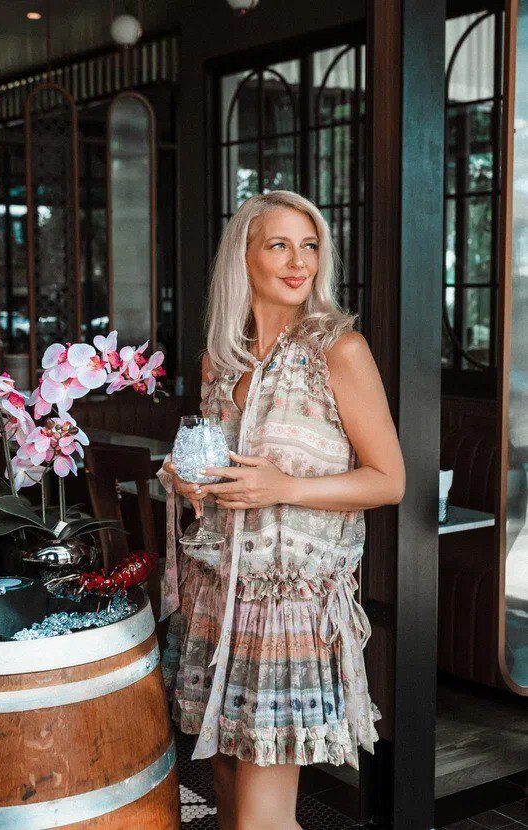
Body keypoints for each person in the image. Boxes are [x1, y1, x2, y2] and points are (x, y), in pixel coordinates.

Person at [158, 190, 406, 830]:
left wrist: (284, 487)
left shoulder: (338, 351)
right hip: (217, 597)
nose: (300, 262)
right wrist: (186, 480)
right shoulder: (220, 361)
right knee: (228, 793)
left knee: (259, 821)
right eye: (279, 245)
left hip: (288, 608)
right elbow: (217, 469)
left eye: (310, 246)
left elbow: (389, 481)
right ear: (243, 256)